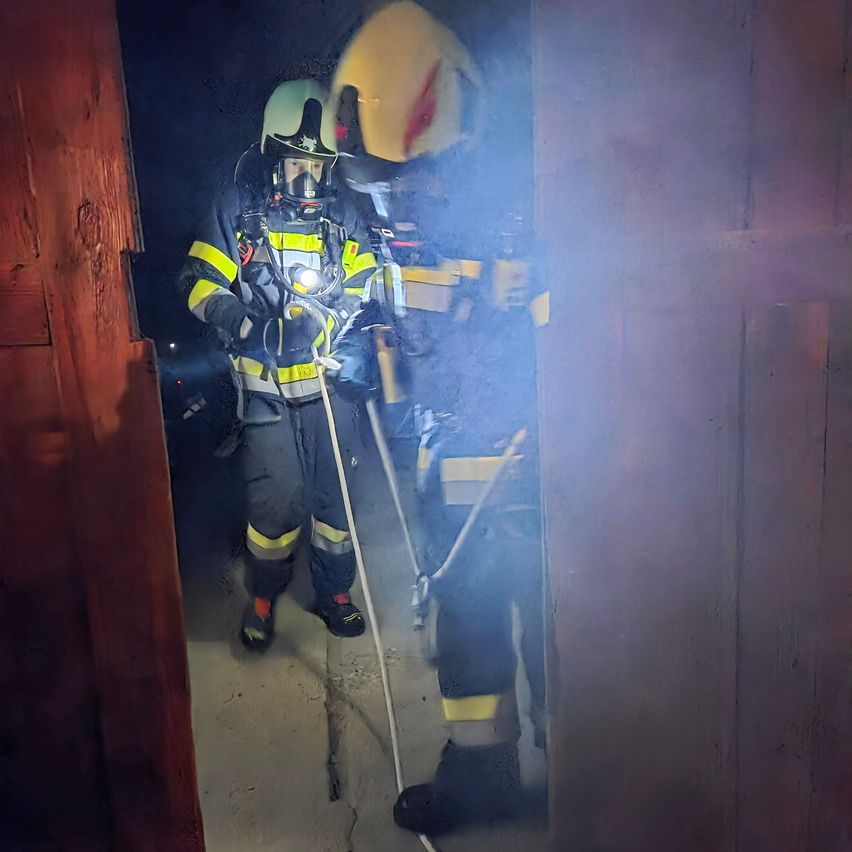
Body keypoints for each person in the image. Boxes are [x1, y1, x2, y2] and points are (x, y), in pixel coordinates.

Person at [178, 79, 378, 648]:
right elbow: (197, 285)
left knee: (335, 495)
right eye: (295, 164)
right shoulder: (237, 208)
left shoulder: (343, 211)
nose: (306, 179)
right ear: (271, 156)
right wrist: (249, 325)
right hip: (264, 392)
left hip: (329, 387)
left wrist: (328, 321)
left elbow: (363, 278)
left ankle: (335, 592)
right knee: (275, 500)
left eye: (317, 166)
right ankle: (263, 597)